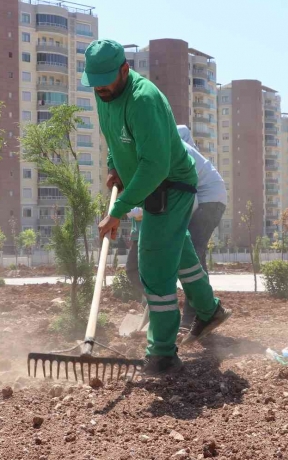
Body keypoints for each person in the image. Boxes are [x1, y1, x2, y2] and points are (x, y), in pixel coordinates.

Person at [83, 39, 232, 375]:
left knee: (152, 265)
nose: (101, 88)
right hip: (152, 184)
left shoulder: (144, 100)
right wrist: (113, 166)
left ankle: (163, 352)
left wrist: (118, 210)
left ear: (125, 69)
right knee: (178, 251)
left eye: (107, 80)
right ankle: (210, 310)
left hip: (170, 185)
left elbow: (154, 167)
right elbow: (114, 135)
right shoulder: (102, 92)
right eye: (95, 82)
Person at [124, 125, 227, 329]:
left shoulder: (170, 150)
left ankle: (195, 316)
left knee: (193, 253)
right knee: (147, 264)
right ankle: (162, 307)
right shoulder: (151, 150)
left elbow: (188, 196)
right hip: (194, 199)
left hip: (208, 198)